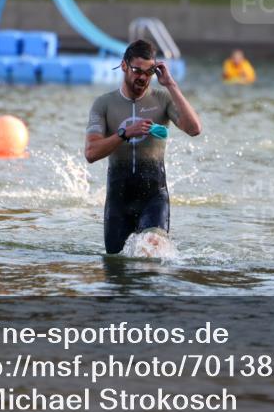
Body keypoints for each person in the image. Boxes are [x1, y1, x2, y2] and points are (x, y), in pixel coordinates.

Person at [85, 40, 202, 254]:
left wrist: (171, 85)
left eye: (148, 72)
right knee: (116, 267)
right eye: (137, 70)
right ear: (124, 66)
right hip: (118, 200)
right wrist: (124, 134)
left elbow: (194, 129)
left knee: (150, 250)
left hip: (153, 197)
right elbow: (91, 153)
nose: (142, 77)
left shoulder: (162, 99)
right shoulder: (104, 104)